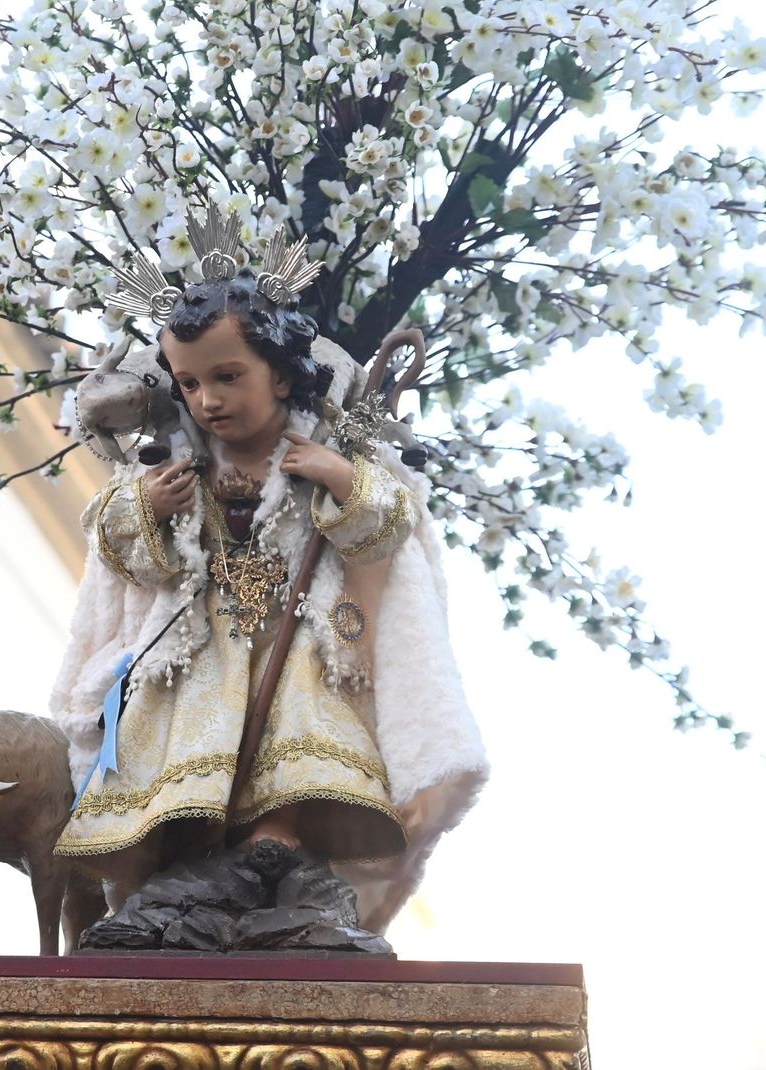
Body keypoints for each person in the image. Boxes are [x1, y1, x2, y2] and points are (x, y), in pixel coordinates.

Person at [50, 223, 487, 932]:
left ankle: (276, 854)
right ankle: (190, 869)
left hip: (299, 638)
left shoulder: (322, 449)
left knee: (297, 736)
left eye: (228, 377)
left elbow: (389, 528)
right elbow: (120, 552)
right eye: (190, 383)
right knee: (183, 763)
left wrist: (340, 478)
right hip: (200, 648)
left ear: (280, 375)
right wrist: (149, 509)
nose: (208, 400)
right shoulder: (174, 460)